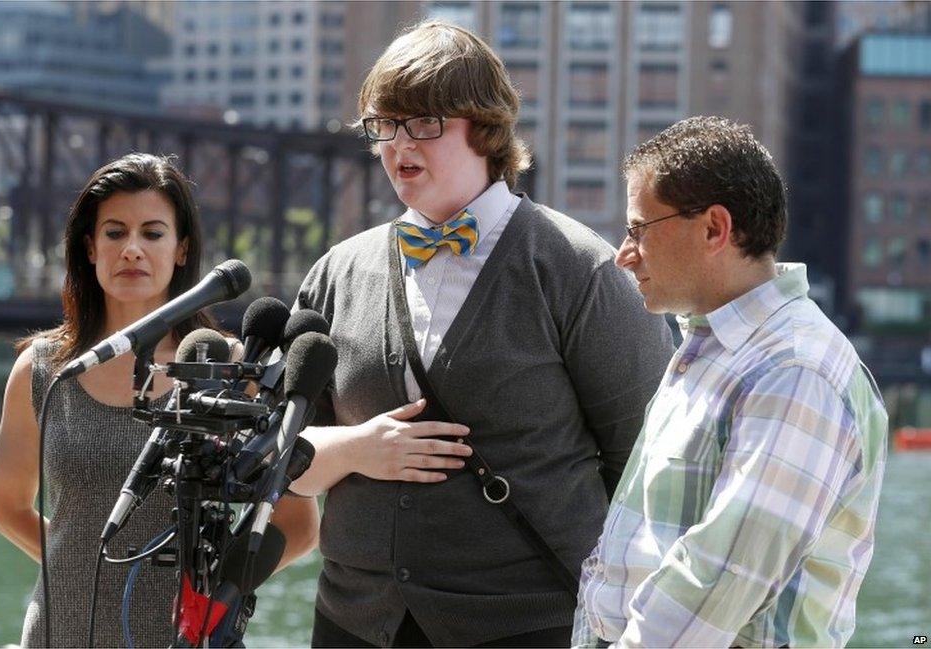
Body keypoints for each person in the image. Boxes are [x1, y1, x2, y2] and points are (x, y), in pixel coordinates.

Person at [290, 21, 674, 648]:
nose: (397, 144)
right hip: (356, 622)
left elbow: (649, 466)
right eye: (384, 125)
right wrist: (357, 448)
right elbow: (283, 458)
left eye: (423, 123)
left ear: (485, 127)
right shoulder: (336, 272)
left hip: (528, 624)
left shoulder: (577, 267)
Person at [572, 116, 888, 648]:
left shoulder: (795, 369)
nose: (624, 254)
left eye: (638, 230)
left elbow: (721, 579)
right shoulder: (718, 348)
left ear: (715, 229)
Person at [0, 153, 319, 647]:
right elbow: (9, 506)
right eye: (115, 232)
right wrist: (85, 566)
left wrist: (217, 591)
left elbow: (298, 524)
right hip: (58, 634)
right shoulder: (44, 370)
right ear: (90, 247)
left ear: (182, 249)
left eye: (153, 233)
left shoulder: (233, 367)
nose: (133, 250)